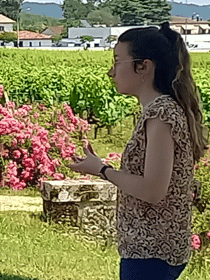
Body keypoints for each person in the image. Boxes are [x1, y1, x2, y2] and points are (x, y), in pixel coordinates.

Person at [70, 23, 207, 280]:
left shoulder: (161, 114)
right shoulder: (162, 111)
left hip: (151, 252)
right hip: (156, 249)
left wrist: (102, 170)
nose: (111, 72)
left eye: (117, 61)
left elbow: (153, 190)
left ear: (143, 66)